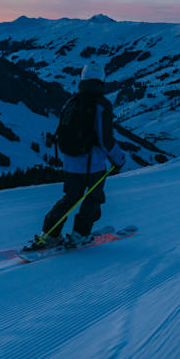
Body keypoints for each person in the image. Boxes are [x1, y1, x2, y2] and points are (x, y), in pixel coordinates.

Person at [27, 64, 126, 250]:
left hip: (71, 162)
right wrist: (119, 159)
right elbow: (106, 139)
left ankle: (49, 235)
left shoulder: (71, 101)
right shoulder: (101, 105)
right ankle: (80, 235)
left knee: (70, 198)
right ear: (101, 79)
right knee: (93, 198)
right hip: (93, 165)